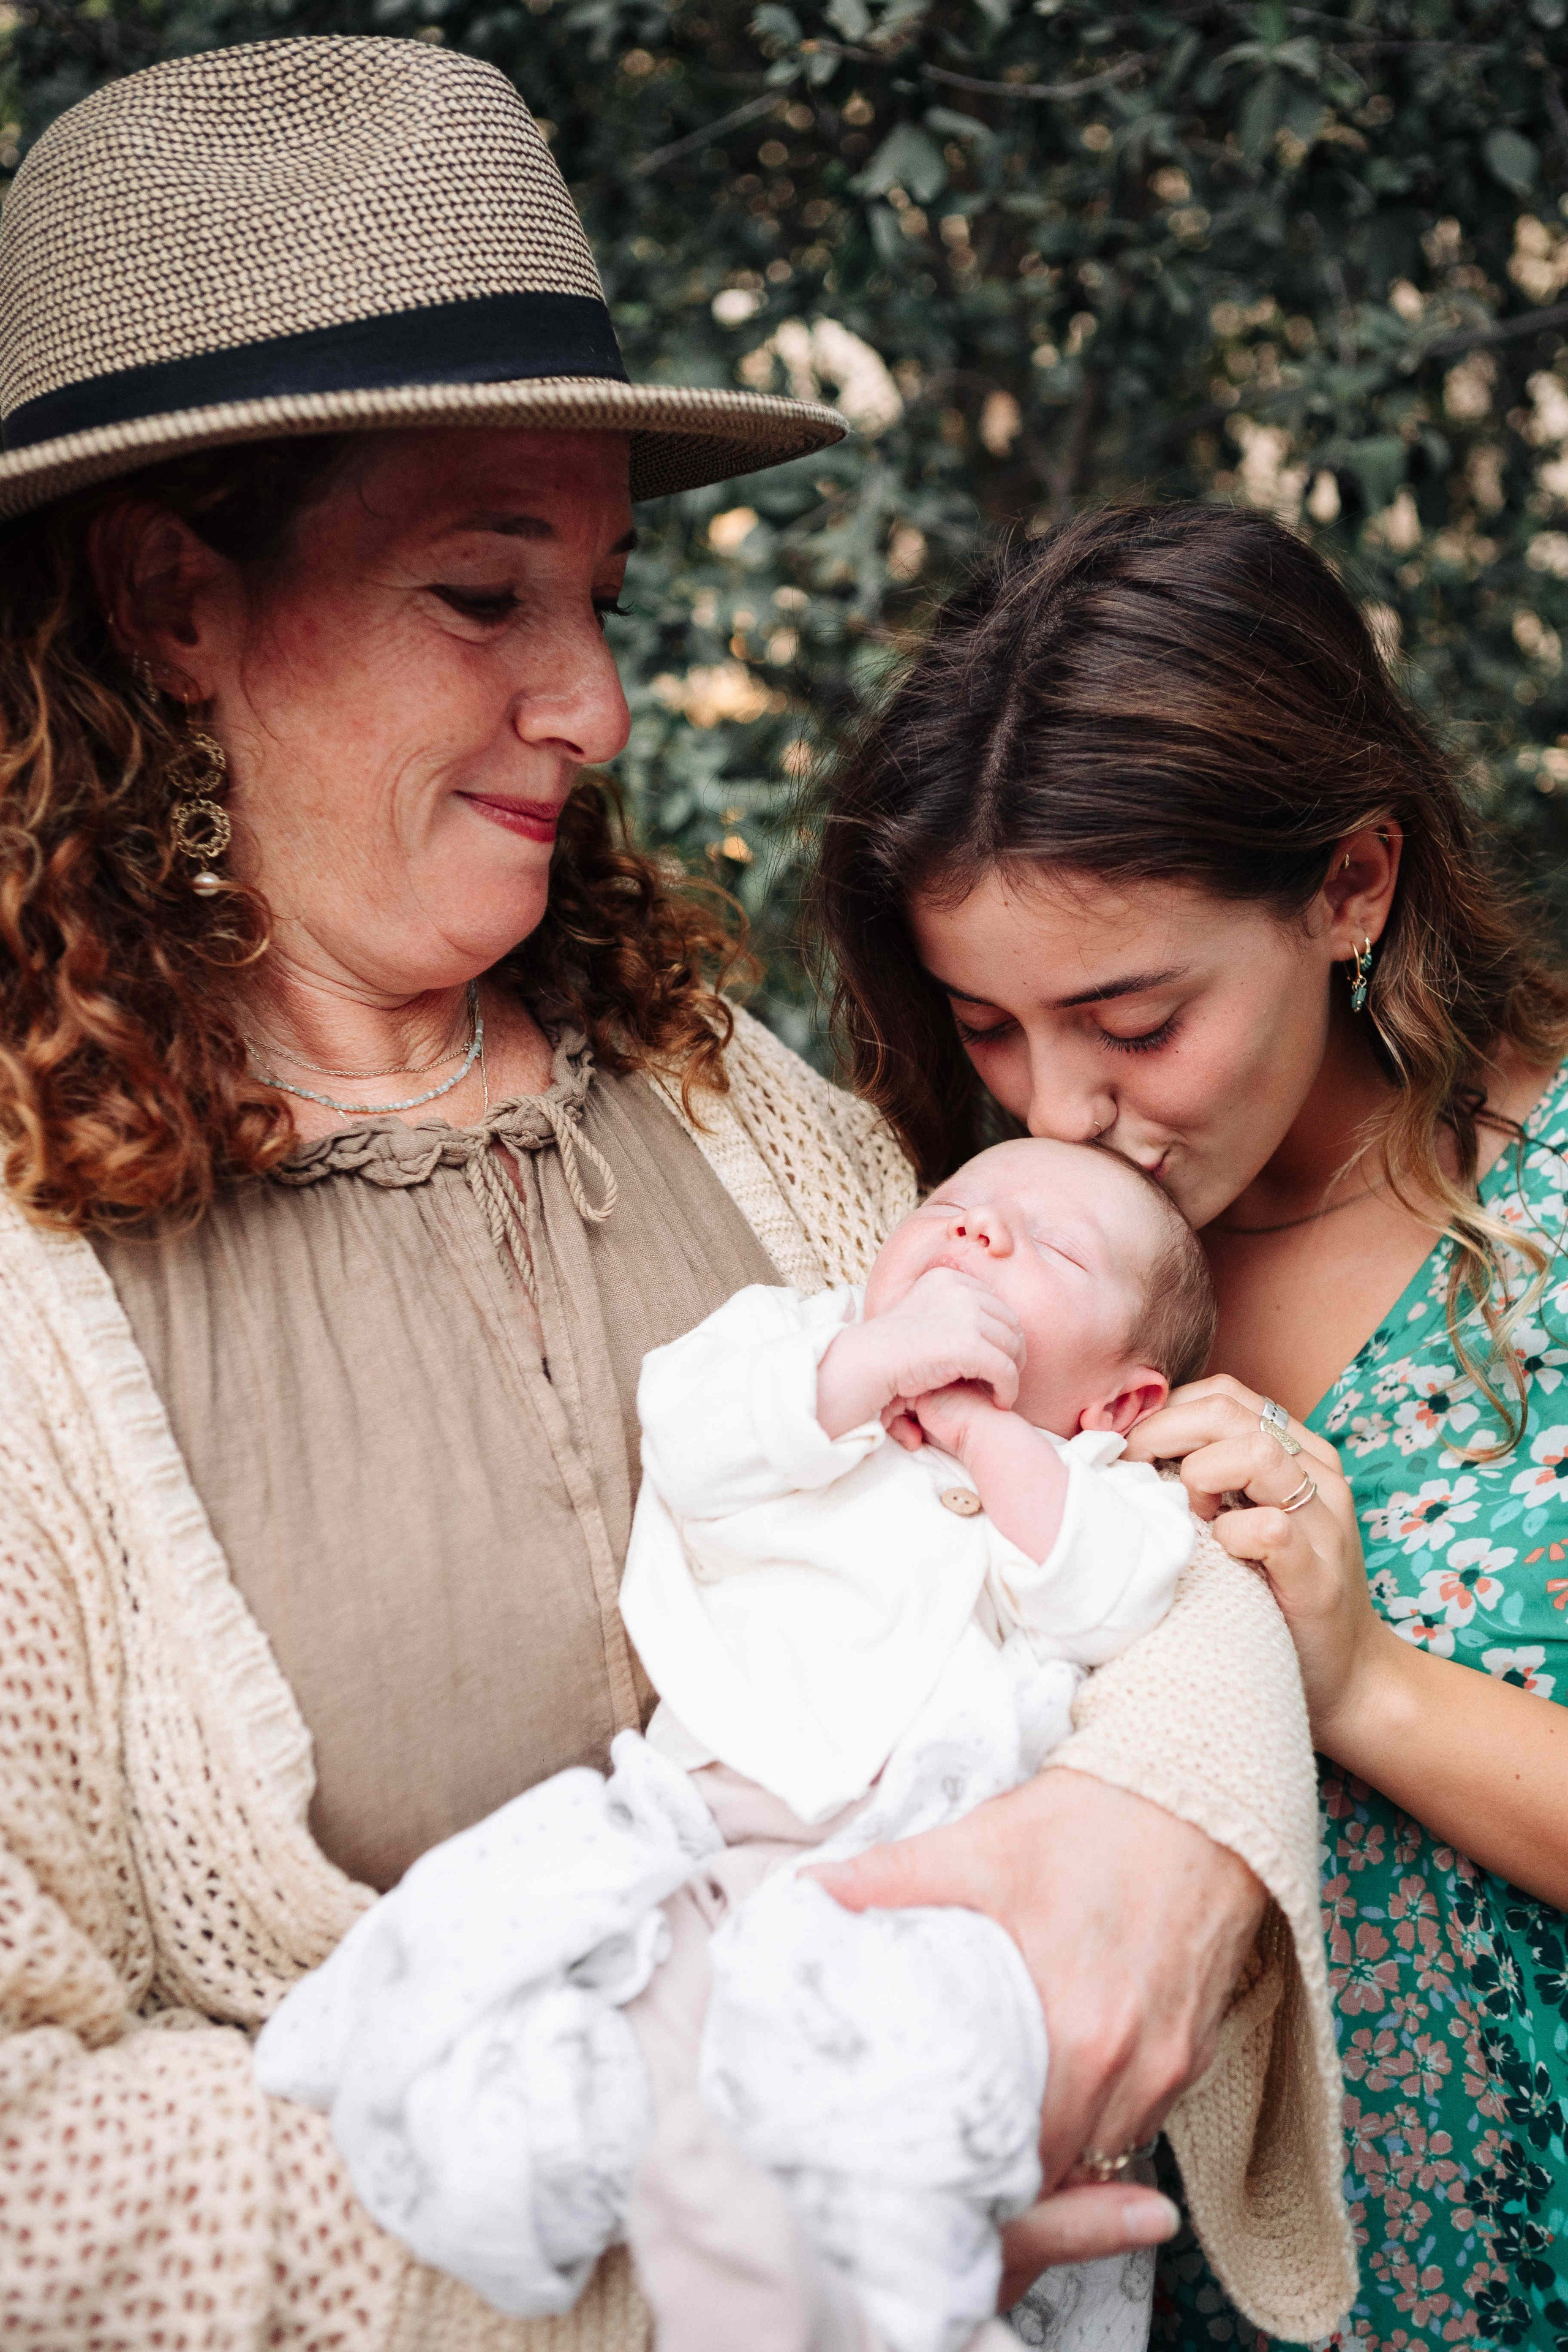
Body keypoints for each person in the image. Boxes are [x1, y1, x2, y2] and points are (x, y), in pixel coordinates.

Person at [0, 38, 1345, 2350]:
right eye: (483, 594)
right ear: (167, 600)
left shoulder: (729, 1109)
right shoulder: (39, 1295)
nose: (599, 705)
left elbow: (1135, 1509)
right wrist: (694, 2231)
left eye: (600, 594)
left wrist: (1183, 1840)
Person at [814, 500, 1568, 2352]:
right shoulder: (975, 1257)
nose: (1062, 1106)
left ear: (1353, 888)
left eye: (1132, 1019)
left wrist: (1363, 1686)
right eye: (986, 1024)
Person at [254, 1138, 1213, 2352]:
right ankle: (542, 2139)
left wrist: (988, 1438)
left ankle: (899, 2298)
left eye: (1049, 1246)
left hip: (934, 1879)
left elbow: (1105, 1599)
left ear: (1117, 1401)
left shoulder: (1097, 1481)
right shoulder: (794, 1346)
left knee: (905, 2096)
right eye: (954, 1208)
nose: (978, 1235)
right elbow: (691, 1440)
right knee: (650, 2018)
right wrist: (859, 1369)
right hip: (722, 1821)